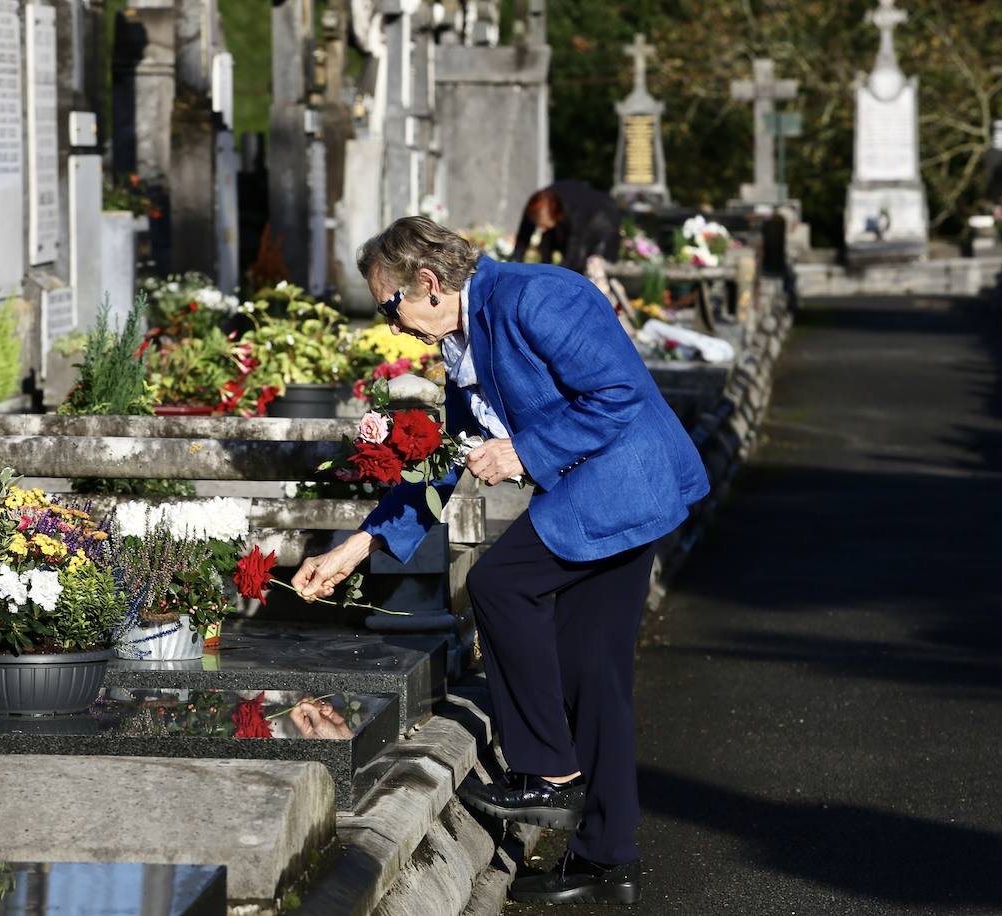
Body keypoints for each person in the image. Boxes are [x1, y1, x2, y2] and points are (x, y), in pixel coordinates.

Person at [291, 216, 708, 906]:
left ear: (426, 284)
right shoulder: (465, 339)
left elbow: (619, 394)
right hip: (597, 497)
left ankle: (547, 773)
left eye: (389, 305)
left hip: (628, 485)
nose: (391, 324)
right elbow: (447, 460)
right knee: (593, 670)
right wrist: (355, 547)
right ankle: (609, 856)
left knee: (501, 582)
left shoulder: (538, 297)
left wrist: (522, 452)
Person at [511, 179, 622, 273]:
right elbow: (523, 236)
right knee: (546, 240)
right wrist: (515, 264)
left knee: (582, 263)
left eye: (544, 225)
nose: (541, 229)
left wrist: (557, 276)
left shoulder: (574, 214)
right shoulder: (535, 205)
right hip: (569, 214)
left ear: (555, 216)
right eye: (538, 225)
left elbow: (573, 253)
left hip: (602, 218)